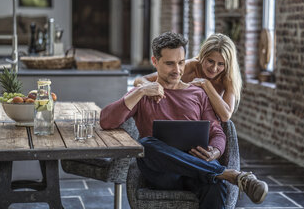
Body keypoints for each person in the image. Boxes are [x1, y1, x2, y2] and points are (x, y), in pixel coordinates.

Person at [100, 32, 268, 209]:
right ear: (155, 62)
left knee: (215, 186)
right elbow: (106, 121)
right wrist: (140, 91)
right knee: (146, 145)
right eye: (169, 63)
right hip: (163, 174)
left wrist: (216, 151)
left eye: (181, 63)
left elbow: (217, 131)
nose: (177, 70)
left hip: (197, 172)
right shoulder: (144, 94)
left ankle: (218, 174)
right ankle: (230, 175)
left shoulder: (198, 93)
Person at [134, 33, 242, 122]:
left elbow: (225, 116)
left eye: (221, 64)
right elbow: (139, 80)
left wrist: (206, 84)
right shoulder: (189, 66)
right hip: (180, 116)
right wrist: (152, 87)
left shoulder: (227, 78)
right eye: (210, 61)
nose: (214, 68)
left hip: (209, 122)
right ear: (202, 56)